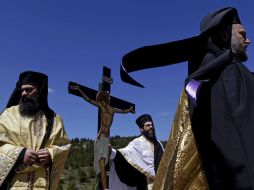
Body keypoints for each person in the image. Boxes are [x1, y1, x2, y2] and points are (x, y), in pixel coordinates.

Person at [120, 7, 253, 190]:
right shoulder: (229, 74)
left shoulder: (206, 81)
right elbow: (239, 147)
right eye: (242, 34)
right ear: (223, 35)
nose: (248, 40)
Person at [0, 71, 71, 190]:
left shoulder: (54, 119)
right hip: (13, 184)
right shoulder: (8, 115)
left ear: (40, 91)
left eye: (29, 90)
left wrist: (51, 154)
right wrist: (20, 153)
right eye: (22, 90)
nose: (23, 93)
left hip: (42, 183)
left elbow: (64, 146)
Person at [69, 83, 134, 190]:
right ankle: (105, 188)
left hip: (106, 138)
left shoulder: (112, 110)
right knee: (102, 165)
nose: (101, 102)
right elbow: (88, 100)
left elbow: (123, 111)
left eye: (103, 100)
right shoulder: (102, 107)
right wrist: (79, 89)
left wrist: (129, 109)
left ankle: (107, 186)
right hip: (101, 137)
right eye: (101, 100)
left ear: (106, 99)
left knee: (108, 163)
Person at [109, 114, 164, 190]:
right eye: (147, 125)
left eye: (151, 125)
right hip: (144, 184)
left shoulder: (159, 143)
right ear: (141, 129)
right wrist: (112, 153)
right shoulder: (137, 142)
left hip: (161, 182)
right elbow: (126, 154)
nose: (151, 127)